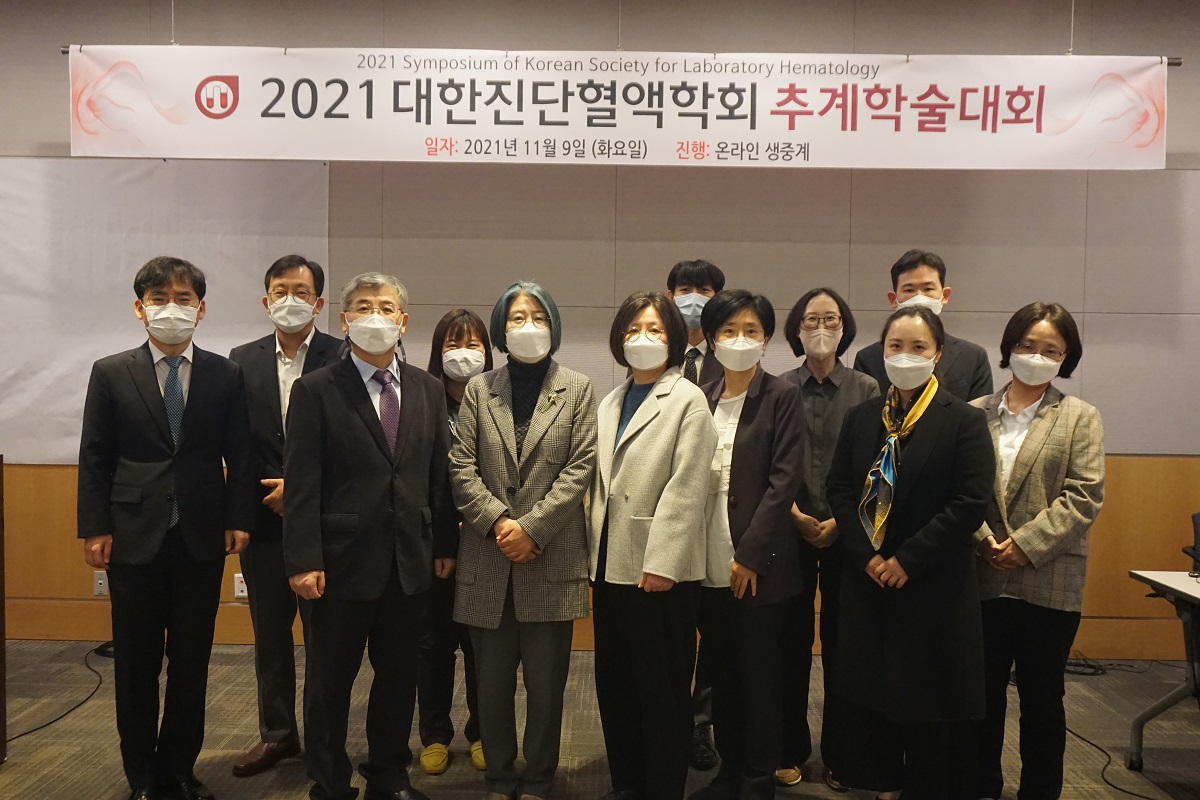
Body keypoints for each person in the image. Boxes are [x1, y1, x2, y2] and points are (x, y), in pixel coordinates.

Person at [78, 256, 256, 800]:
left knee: (191, 662)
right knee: (136, 664)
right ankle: (141, 776)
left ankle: (179, 768)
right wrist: (94, 527)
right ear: (140, 308)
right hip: (132, 535)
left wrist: (238, 518)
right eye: (159, 299)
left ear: (201, 310)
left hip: (201, 536)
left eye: (183, 299)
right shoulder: (111, 371)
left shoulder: (226, 374)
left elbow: (240, 455)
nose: (171, 308)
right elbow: (95, 456)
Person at [283, 272, 457, 800]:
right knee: (329, 684)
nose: (374, 316)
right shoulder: (315, 389)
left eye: (385, 307)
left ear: (403, 321)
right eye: (363, 306)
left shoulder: (427, 389)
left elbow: (437, 476)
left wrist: (444, 546)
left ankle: (389, 777)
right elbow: (302, 483)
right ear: (344, 320)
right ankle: (329, 783)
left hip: (409, 562)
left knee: (399, 679)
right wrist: (302, 559)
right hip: (337, 565)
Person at [826, 305, 995, 800]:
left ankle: (925, 786)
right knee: (873, 691)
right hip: (870, 580)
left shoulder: (964, 420)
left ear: (937, 354)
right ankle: (882, 782)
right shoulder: (862, 418)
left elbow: (969, 502)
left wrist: (907, 560)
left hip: (932, 584)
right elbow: (840, 489)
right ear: (881, 352)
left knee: (927, 699)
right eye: (895, 346)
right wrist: (867, 555)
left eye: (918, 347)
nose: (905, 356)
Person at [450, 280, 597, 800]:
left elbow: (580, 467)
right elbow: (460, 466)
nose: (527, 326)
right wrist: (498, 523)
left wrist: (532, 527)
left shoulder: (578, 388)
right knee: (489, 687)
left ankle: (537, 777)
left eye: (537, 316)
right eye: (516, 317)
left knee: (546, 686)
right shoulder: (478, 389)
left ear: (553, 325)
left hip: (550, 557)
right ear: (501, 329)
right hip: (487, 557)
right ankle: (498, 774)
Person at [588, 292, 718, 800]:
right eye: (633, 330)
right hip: (610, 565)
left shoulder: (688, 399)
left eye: (655, 330)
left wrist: (664, 561)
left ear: (674, 338)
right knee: (616, 683)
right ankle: (627, 784)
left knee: (661, 689)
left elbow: (688, 488)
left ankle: (662, 787)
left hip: (659, 570)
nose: (642, 338)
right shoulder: (610, 401)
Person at [972, 303, 1105, 800]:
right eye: (1028, 345)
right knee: (982, 698)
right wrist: (982, 538)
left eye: (1051, 349)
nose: (1036, 356)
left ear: (1066, 357)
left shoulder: (1080, 416)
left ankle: (1040, 792)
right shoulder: (974, 413)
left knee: (1043, 701)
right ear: (1010, 346)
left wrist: (1025, 546)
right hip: (982, 575)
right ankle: (981, 786)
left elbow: (1084, 496)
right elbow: (958, 488)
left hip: (1048, 582)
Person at [227, 254, 343, 778]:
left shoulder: (344, 355)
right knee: (270, 636)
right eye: (281, 291)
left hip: (323, 524)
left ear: (319, 302)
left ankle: (323, 739)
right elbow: (237, 444)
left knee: (325, 639)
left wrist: (297, 489)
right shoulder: (241, 360)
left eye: (301, 292)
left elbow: (352, 442)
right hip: (264, 522)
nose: (290, 300)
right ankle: (277, 734)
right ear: (266, 299)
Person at [688, 290, 806, 800]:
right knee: (722, 676)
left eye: (751, 331)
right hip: (707, 563)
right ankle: (729, 772)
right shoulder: (701, 396)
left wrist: (750, 556)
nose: (740, 339)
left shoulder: (782, 396)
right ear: (712, 340)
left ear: (766, 339)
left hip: (759, 566)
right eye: (729, 331)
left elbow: (784, 482)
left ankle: (757, 780)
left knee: (758, 679)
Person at [777, 288, 879, 792]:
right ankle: (787, 749)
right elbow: (766, 460)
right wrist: (794, 515)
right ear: (797, 328)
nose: (821, 328)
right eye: (811, 319)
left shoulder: (868, 388)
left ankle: (844, 755)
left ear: (845, 327)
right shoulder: (777, 387)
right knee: (788, 645)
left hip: (850, 534)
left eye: (831, 319)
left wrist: (841, 520)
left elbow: (879, 464)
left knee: (846, 647)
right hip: (788, 530)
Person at [416, 308, 494, 777]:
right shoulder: (423, 401)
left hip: (487, 543)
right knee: (434, 646)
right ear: (437, 351)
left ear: (487, 352)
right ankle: (434, 735)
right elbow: (423, 480)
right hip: (435, 547)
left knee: (482, 647)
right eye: (452, 344)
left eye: (472, 345)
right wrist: (443, 538)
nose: (462, 354)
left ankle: (484, 732)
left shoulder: (498, 401)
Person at [665, 258, 725, 771]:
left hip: (720, 522)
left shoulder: (732, 363)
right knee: (673, 635)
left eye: (704, 289)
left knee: (716, 639)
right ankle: (668, 720)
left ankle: (701, 724)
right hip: (666, 526)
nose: (693, 298)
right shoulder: (653, 359)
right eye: (685, 288)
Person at [852, 249, 993, 401]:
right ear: (893, 299)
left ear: (944, 295)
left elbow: (980, 411)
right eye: (909, 290)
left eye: (928, 289)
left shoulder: (973, 357)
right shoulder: (868, 359)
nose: (919, 297)